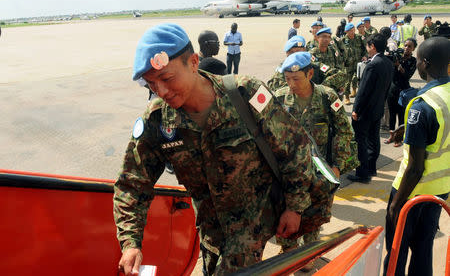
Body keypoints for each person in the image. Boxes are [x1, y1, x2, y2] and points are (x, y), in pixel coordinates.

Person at [114, 23, 319, 276]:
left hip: (256, 220)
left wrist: (295, 207)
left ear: (193, 62)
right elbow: (132, 184)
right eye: (151, 85)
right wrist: (130, 243)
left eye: (166, 78)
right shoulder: (158, 121)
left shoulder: (245, 93)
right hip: (211, 231)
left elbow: (295, 148)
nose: (161, 91)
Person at [274, 52, 356, 270]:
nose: (291, 84)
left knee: (314, 218)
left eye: (296, 79)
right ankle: (289, 250)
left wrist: (337, 167)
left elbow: (344, 132)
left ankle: (310, 254)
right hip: (290, 175)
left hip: (321, 173)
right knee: (287, 213)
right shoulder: (280, 99)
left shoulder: (327, 97)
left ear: (310, 73)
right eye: (287, 79)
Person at [383, 36, 450, 276]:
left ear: (424, 64)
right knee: (423, 250)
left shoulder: (424, 105)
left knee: (396, 251)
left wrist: (395, 205)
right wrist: (409, 131)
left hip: (412, 192)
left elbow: (415, 168)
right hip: (440, 191)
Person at [349, 33, 393, 183]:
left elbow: (363, 91)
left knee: (361, 141)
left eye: (367, 46)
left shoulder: (373, 65)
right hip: (377, 109)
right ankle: (372, 168)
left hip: (366, 111)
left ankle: (362, 173)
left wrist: (356, 110)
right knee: (374, 139)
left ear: (372, 46)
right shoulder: (387, 62)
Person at [385, 38, 417, 147]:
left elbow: (407, 75)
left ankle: (398, 138)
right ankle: (391, 135)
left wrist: (399, 65)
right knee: (392, 113)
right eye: (405, 45)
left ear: (413, 49)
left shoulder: (413, 60)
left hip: (404, 90)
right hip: (392, 89)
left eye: (409, 46)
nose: (406, 48)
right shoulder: (397, 56)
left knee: (402, 114)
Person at [309, 27, 347, 94]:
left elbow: (339, 67)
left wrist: (341, 84)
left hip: (333, 87)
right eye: (323, 36)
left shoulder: (333, 51)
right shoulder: (312, 54)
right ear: (317, 38)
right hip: (318, 88)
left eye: (329, 37)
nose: (326, 39)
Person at [341, 23, 367, 105]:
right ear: (346, 31)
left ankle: (354, 90)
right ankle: (347, 97)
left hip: (358, 63)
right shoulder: (342, 40)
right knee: (347, 81)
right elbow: (339, 52)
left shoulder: (359, 38)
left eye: (353, 30)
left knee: (356, 78)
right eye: (350, 31)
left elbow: (366, 48)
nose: (352, 32)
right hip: (348, 64)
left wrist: (365, 56)